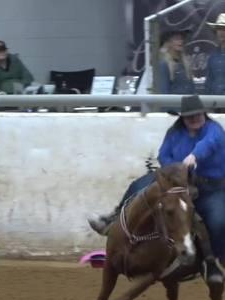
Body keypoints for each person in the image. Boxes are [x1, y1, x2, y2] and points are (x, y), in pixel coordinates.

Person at [88, 95, 225, 278]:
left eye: (198, 115)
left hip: (210, 187)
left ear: (204, 114)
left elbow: (209, 143)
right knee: (138, 185)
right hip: (176, 180)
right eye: (189, 116)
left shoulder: (214, 130)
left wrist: (194, 157)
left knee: (217, 220)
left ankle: (212, 262)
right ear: (182, 118)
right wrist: (176, 169)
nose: (194, 119)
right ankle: (113, 218)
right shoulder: (174, 132)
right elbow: (163, 154)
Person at [158, 29, 195, 94]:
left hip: (188, 103)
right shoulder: (163, 64)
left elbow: (191, 88)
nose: (181, 41)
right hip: (172, 103)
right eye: (176, 39)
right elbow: (163, 91)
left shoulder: (186, 63)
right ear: (168, 42)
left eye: (182, 39)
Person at [205, 14, 225, 95]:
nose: (221, 32)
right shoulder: (213, 57)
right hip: (215, 104)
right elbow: (209, 82)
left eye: (224, 29)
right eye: (219, 28)